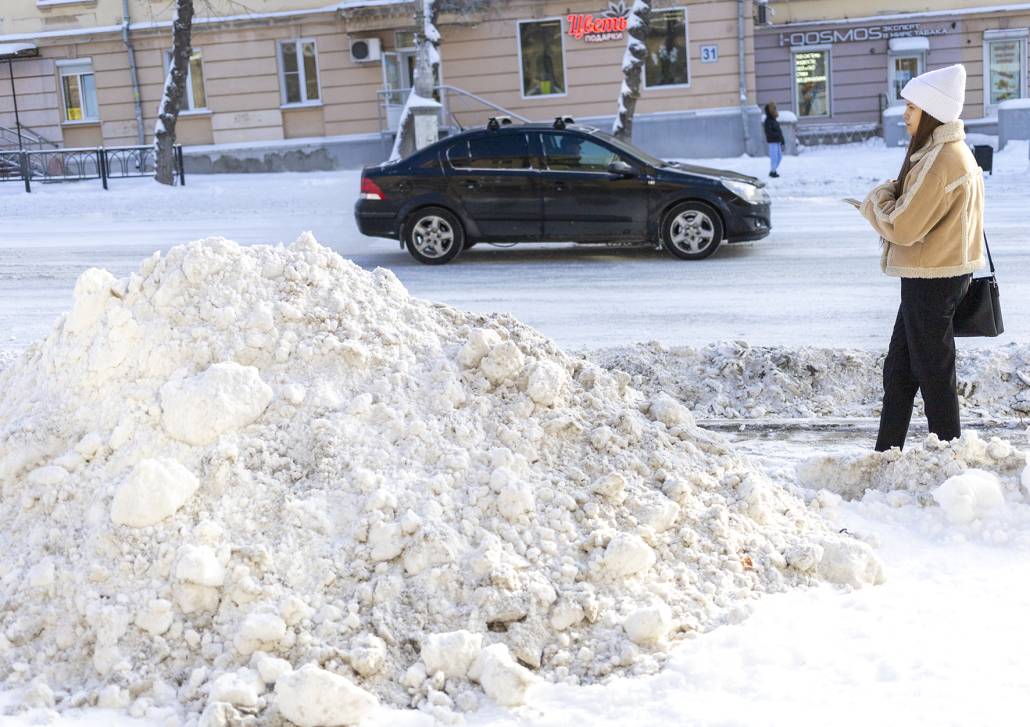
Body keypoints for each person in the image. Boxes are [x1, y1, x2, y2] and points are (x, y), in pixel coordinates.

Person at [858, 64, 985, 452]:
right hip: (931, 276)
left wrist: (876, 199)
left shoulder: (943, 159)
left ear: (931, 111)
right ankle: (887, 451)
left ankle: (947, 454)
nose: (905, 114)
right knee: (900, 369)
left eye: (912, 107)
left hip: (933, 279)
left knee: (933, 372)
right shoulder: (942, 152)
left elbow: (902, 227)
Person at [763, 102, 784, 178]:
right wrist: (777, 135)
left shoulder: (774, 120)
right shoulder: (768, 121)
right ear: (770, 110)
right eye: (774, 108)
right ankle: (773, 172)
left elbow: (779, 131)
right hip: (772, 142)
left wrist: (782, 139)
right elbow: (768, 132)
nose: (776, 110)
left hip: (777, 141)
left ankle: (773, 170)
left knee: (780, 157)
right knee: (774, 157)